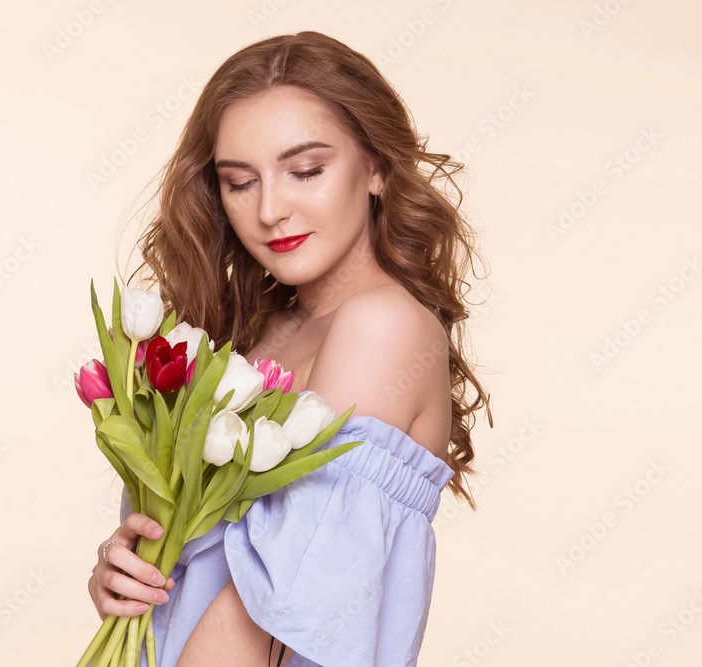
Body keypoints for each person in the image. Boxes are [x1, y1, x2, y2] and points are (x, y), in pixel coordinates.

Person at [87, 31, 492, 666]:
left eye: (306, 170)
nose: (271, 209)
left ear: (378, 167)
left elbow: (276, 604)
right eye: (239, 182)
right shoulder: (248, 338)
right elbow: (208, 571)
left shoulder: (382, 325)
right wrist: (128, 572)